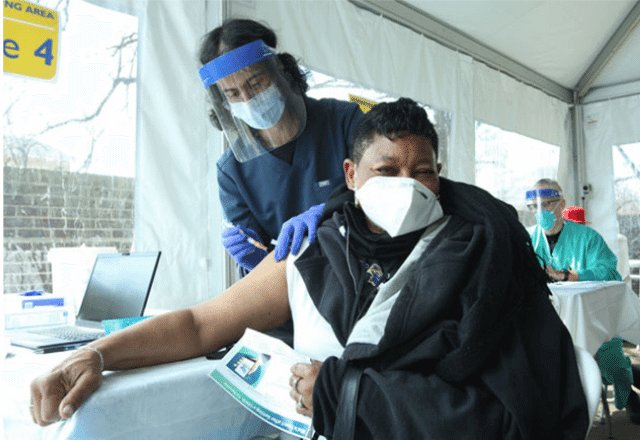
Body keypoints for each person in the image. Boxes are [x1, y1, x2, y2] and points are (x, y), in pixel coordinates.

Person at [30, 98, 588, 439]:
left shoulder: (481, 260)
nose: (406, 185)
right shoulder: (313, 251)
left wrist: (349, 397)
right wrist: (96, 354)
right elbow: (201, 325)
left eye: (423, 171)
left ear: (440, 177)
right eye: (385, 169)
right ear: (349, 174)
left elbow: (510, 419)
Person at [198, 19, 363, 273]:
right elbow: (259, 262)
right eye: (232, 94)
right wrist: (254, 262)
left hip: (361, 272)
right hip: (292, 291)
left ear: (281, 72)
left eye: (255, 83)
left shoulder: (345, 122)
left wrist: (333, 211)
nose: (248, 100)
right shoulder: (232, 172)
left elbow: (386, 193)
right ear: (223, 102)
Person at [526, 178, 622, 282]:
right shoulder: (527, 238)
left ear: (561, 204)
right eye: (535, 206)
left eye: (546, 204)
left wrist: (567, 276)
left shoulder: (588, 238)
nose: (541, 211)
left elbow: (608, 272)